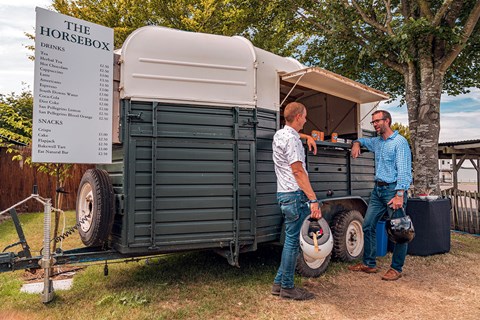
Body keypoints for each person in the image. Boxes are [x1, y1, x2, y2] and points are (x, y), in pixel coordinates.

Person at [348, 110, 412, 281]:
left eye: (377, 121)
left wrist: (400, 194)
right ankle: (369, 264)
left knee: (400, 230)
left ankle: (396, 268)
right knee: (368, 225)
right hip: (378, 190)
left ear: (387, 121)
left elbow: (405, 171)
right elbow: (361, 141)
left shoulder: (400, 142)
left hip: (394, 191)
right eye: (373, 122)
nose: (375, 125)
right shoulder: (377, 142)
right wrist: (355, 143)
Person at [271, 102, 321, 300]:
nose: (306, 120)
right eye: (305, 116)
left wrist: (307, 136)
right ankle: (288, 287)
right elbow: (298, 171)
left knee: (290, 240)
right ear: (299, 116)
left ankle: (278, 284)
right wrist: (313, 199)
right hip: (294, 194)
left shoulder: (280, 134)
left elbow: (292, 134)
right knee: (292, 243)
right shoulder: (291, 141)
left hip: (283, 194)